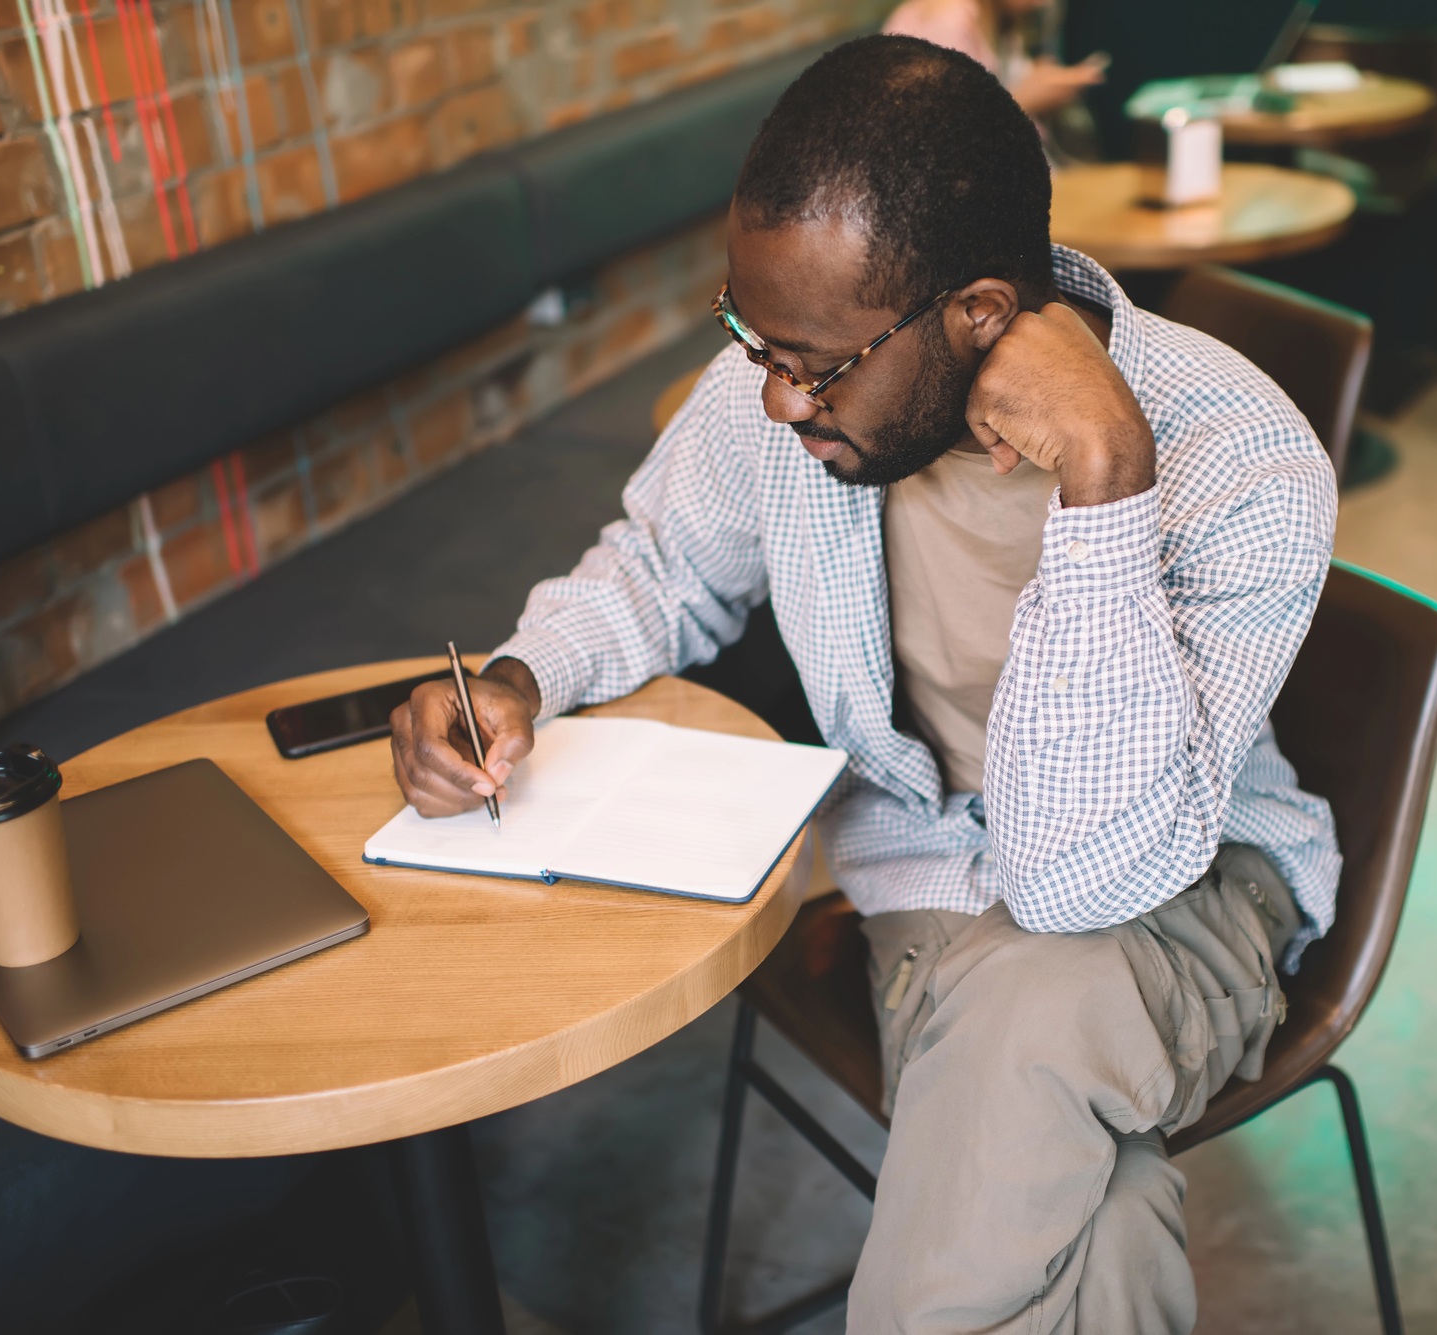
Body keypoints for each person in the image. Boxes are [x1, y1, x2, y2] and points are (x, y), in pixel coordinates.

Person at [388, 34, 1341, 1335]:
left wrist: (1105, 478)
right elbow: (665, 561)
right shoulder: (797, 390)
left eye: (815, 362)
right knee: (1097, 1211)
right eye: (752, 340)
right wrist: (518, 674)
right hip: (931, 882)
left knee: (1037, 998)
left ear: (983, 313)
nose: (776, 399)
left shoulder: (1238, 459)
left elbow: (1078, 883)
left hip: (1186, 883)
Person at [884, 0, 1103, 121]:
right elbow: (944, 136)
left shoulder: (998, 21)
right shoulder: (948, 21)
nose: (1044, 3)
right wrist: (1023, 101)